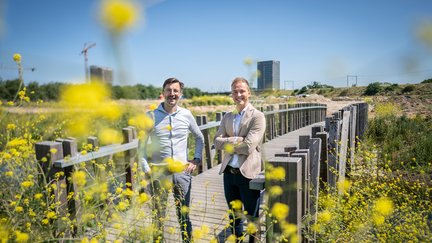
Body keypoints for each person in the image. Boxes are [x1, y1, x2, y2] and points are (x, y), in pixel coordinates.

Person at [141, 77, 204, 243]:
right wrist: (146, 169)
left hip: (182, 172)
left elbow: (199, 138)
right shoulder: (151, 116)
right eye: (168, 90)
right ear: (163, 93)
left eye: (175, 91)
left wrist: (196, 159)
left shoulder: (187, 115)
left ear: (181, 94)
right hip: (158, 172)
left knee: (184, 215)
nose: (172, 94)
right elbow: (140, 147)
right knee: (158, 217)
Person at [214, 77, 266, 242]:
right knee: (234, 217)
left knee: (252, 218)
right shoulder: (227, 116)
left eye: (242, 91)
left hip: (248, 173)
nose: (238, 94)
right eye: (235, 91)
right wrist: (236, 139)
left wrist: (227, 141)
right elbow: (216, 141)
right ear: (232, 94)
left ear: (248, 93)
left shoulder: (257, 116)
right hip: (229, 172)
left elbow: (248, 146)